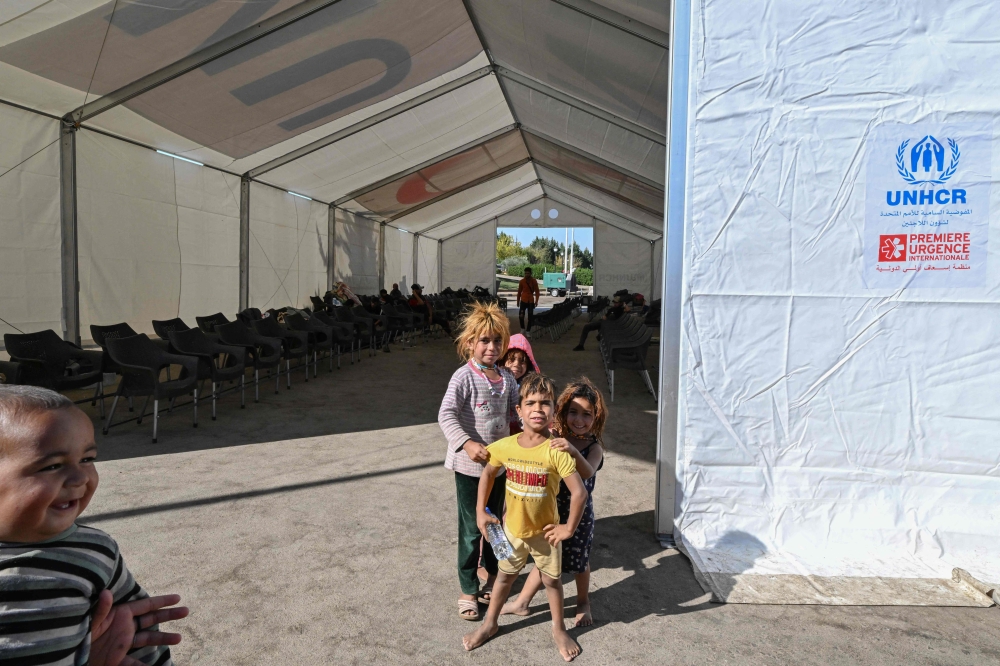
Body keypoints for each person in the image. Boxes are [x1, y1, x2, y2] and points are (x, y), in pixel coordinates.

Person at [0, 385, 188, 666]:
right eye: (52, 465)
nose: (80, 478)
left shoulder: (95, 552)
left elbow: (135, 636)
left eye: (87, 460)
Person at [462, 373, 587, 662]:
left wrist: (568, 528)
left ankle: (559, 629)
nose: (537, 409)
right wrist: (481, 511)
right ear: (519, 410)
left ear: (554, 410)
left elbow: (579, 493)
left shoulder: (556, 451)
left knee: (552, 582)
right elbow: (488, 473)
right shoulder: (505, 446)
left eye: (545, 403)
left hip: (546, 535)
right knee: (504, 578)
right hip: (512, 531)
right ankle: (490, 624)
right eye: (530, 403)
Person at [501, 378, 607, 627]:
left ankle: (583, 602)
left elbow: (587, 472)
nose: (579, 420)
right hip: (548, 510)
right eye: (573, 412)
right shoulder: (555, 437)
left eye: (586, 414)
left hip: (578, 516)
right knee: (545, 559)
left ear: (596, 417)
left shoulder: (594, 447)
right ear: (562, 412)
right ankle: (522, 602)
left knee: (579, 562)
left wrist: (571, 450)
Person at [438, 302, 519, 621]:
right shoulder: (463, 377)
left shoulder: (507, 378)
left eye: (497, 341)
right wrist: (467, 442)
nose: (491, 347)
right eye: (484, 340)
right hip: (469, 469)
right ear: (470, 342)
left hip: (500, 469)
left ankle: (493, 575)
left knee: (497, 524)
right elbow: (446, 414)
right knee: (473, 528)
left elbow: (516, 414)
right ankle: (468, 588)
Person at [499, 333, 539, 435]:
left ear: (529, 365)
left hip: (522, 434)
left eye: (522, 361)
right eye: (512, 359)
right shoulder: (494, 383)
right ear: (502, 361)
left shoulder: (531, 389)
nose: (516, 364)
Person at [516, 268, 540, 332]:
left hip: (530, 301)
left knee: (530, 316)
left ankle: (528, 331)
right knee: (521, 315)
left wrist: (536, 301)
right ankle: (522, 328)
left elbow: (537, 292)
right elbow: (519, 292)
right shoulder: (522, 281)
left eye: (528, 273)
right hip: (523, 300)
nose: (527, 274)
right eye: (525, 273)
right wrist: (518, 301)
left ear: (530, 274)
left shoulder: (534, 281)